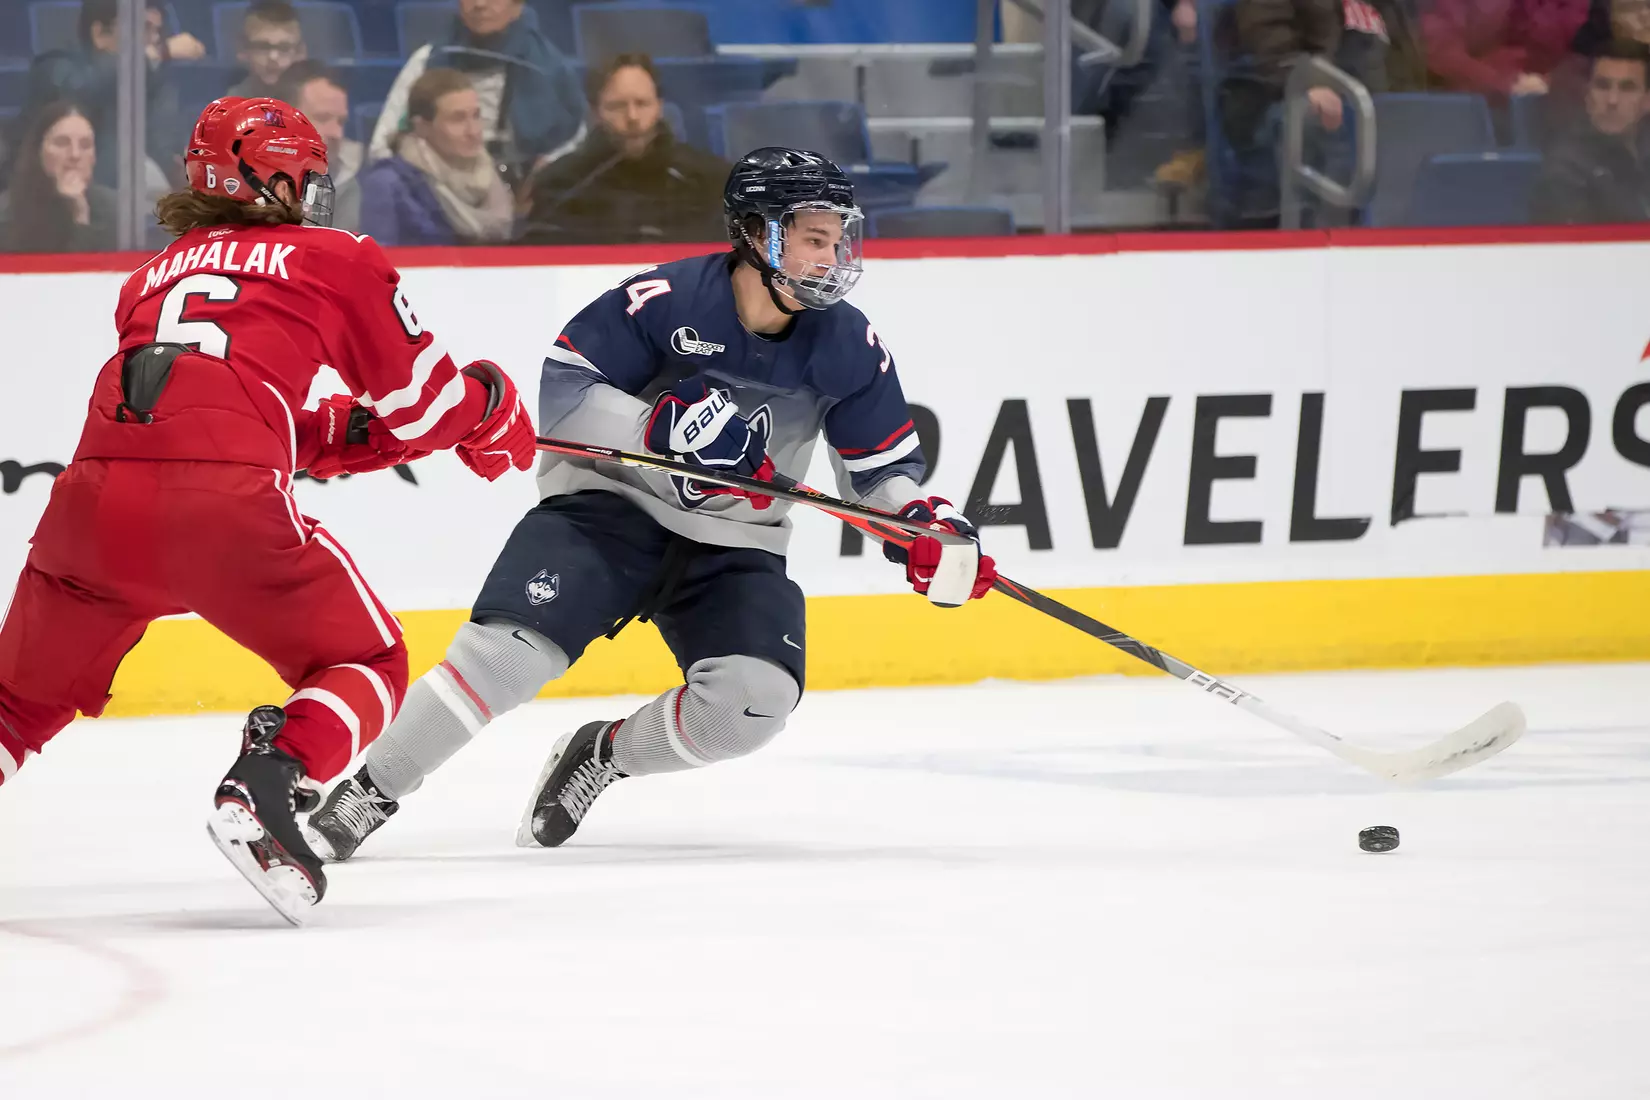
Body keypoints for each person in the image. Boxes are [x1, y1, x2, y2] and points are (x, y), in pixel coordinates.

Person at [307, 147, 998, 862]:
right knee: (507, 657)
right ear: (758, 232)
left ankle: (601, 755)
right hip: (609, 511)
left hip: (736, 545)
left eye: (836, 239)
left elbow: (878, 473)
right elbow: (565, 389)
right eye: (813, 238)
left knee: (751, 707)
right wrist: (655, 430)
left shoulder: (850, 343)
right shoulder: (666, 301)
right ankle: (371, 790)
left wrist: (921, 523)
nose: (831, 257)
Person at [0, 95, 536, 924]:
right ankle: (268, 783)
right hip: (222, 513)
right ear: (274, 176)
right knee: (369, 661)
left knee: (15, 705)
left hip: (90, 511)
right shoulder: (335, 256)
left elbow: (221, 415)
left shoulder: (149, 276)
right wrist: (490, 409)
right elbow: (427, 408)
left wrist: (370, 437)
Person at [520, 53, 730, 245]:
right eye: (617, 106)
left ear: (659, 107)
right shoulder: (562, 183)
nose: (632, 117)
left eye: (642, 103)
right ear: (595, 112)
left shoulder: (709, 178)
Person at [367, 0, 584, 180]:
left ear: (517, 5)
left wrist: (546, 173)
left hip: (523, 190)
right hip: (436, 188)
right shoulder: (428, 61)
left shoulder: (548, 68)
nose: (479, 4)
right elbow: (382, 146)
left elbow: (576, 136)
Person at [16, 0, 204, 189]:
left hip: (148, 201)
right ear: (100, 34)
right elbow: (79, 87)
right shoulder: (55, 68)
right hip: (71, 199)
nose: (154, 39)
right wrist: (157, 53)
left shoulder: (154, 80)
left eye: (157, 31)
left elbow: (167, 141)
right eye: (143, 28)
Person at [359, 69, 515, 246]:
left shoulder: (493, 179)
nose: (473, 131)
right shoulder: (388, 185)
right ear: (422, 127)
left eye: (476, 116)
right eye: (458, 119)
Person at [1531, 40, 1650, 222]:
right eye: (1603, 86)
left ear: (1647, 100)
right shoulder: (1565, 169)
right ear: (1588, 95)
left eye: (1627, 88)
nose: (1612, 100)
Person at [0, 102, 116, 252]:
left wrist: (81, 217)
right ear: (38, 152)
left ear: (94, 157)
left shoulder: (115, 213)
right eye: (62, 143)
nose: (75, 154)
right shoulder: (6, 213)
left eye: (85, 145)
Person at [1422, 0, 1590, 100]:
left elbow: (1592, 52)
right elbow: (1441, 51)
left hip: (1562, 107)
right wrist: (1503, 83)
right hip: (1475, 107)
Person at [277, 60, 362, 230]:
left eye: (341, 122)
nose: (337, 133)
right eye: (323, 118)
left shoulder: (349, 182)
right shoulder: (237, 183)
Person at [227, 0, 307, 100]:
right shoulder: (229, 107)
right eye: (262, 47)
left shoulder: (315, 105)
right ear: (243, 50)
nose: (273, 57)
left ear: (300, 52)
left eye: (284, 48)